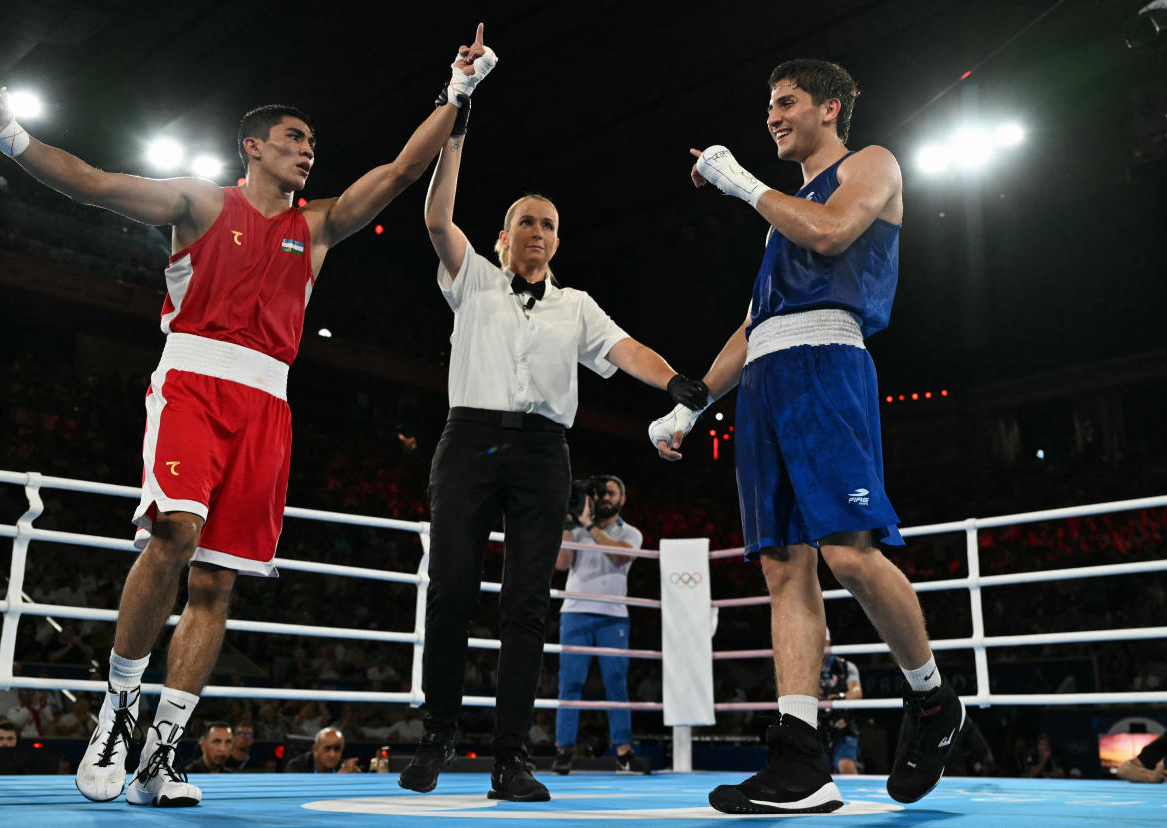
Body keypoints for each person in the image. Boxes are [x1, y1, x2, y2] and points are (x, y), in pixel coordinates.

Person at [0, 23, 497, 809]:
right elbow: (96, 182)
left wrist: (459, 90)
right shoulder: (198, 201)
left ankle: (161, 755)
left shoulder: (315, 228)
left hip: (267, 405)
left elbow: (407, 168)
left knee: (217, 582)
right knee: (173, 532)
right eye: (292, 138)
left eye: (312, 141)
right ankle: (117, 715)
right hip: (193, 386)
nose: (307, 150)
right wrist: (10, 136)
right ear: (251, 146)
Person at [649, 58, 964, 814]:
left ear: (830, 107)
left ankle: (933, 699)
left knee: (849, 555)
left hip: (828, 365)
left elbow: (831, 236)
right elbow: (759, 322)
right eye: (767, 104)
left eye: (784, 101)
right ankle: (799, 761)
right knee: (783, 567)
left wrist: (741, 186)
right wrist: (694, 402)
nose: (771, 115)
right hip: (766, 380)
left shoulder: (871, 164)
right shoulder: (780, 212)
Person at [398, 81, 711, 803]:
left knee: (527, 605)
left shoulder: (575, 305)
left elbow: (626, 347)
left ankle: (512, 758)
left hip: (543, 451)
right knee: (449, 590)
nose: (536, 232)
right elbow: (436, 214)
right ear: (504, 237)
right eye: (525, 222)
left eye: (547, 224)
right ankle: (439, 734)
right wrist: (457, 125)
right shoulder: (471, 278)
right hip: (469, 436)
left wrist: (675, 384)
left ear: (557, 241)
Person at [551, 475, 641, 774]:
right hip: (575, 611)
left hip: (613, 615)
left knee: (616, 682)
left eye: (610, 493)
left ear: (622, 498)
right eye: (599, 493)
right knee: (570, 683)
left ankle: (624, 752)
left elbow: (619, 556)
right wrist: (567, 522)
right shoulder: (577, 529)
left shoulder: (631, 533)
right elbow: (561, 564)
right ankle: (564, 750)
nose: (604, 497)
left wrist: (589, 526)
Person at [817, 628, 862, 775]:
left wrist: (840, 697)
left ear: (828, 641)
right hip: (814, 728)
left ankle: (857, 796)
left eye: (822, 641)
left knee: (845, 765)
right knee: (815, 772)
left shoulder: (845, 667)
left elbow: (857, 692)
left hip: (843, 726)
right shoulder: (803, 668)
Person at [285, 726, 361, 773]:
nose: (332, 754)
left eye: (337, 749)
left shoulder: (345, 768)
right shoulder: (296, 767)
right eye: (327, 748)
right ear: (315, 749)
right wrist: (338, 779)